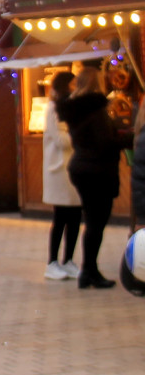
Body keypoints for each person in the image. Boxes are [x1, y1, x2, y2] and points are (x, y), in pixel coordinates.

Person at [57, 65, 132, 289]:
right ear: (97, 83)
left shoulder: (75, 109)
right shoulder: (96, 109)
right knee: (96, 223)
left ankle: (88, 271)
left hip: (81, 167)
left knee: (92, 222)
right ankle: (90, 271)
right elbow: (104, 144)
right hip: (97, 170)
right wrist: (131, 138)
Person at [41, 71, 82, 280]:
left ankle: (69, 260)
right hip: (59, 170)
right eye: (73, 84)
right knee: (61, 217)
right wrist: (81, 133)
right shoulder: (54, 108)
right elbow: (60, 139)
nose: (76, 87)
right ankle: (52, 262)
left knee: (75, 216)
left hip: (73, 168)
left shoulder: (71, 107)